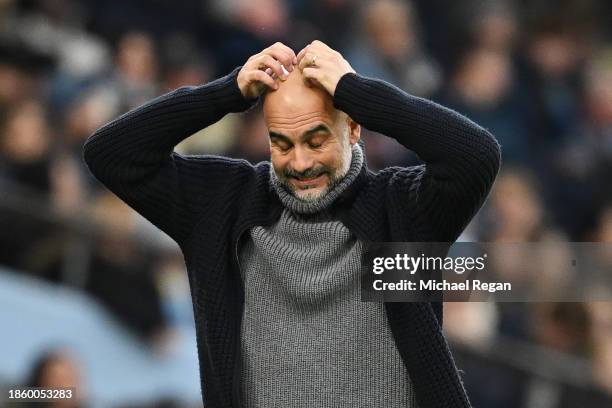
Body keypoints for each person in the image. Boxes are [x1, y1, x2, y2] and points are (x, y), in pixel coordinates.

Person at [83, 40, 501, 408]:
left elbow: (475, 156)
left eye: (315, 140)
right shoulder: (222, 203)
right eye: (281, 143)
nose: (299, 163)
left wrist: (357, 91)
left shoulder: (403, 209)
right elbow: (112, 154)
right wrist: (227, 93)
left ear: (353, 127)